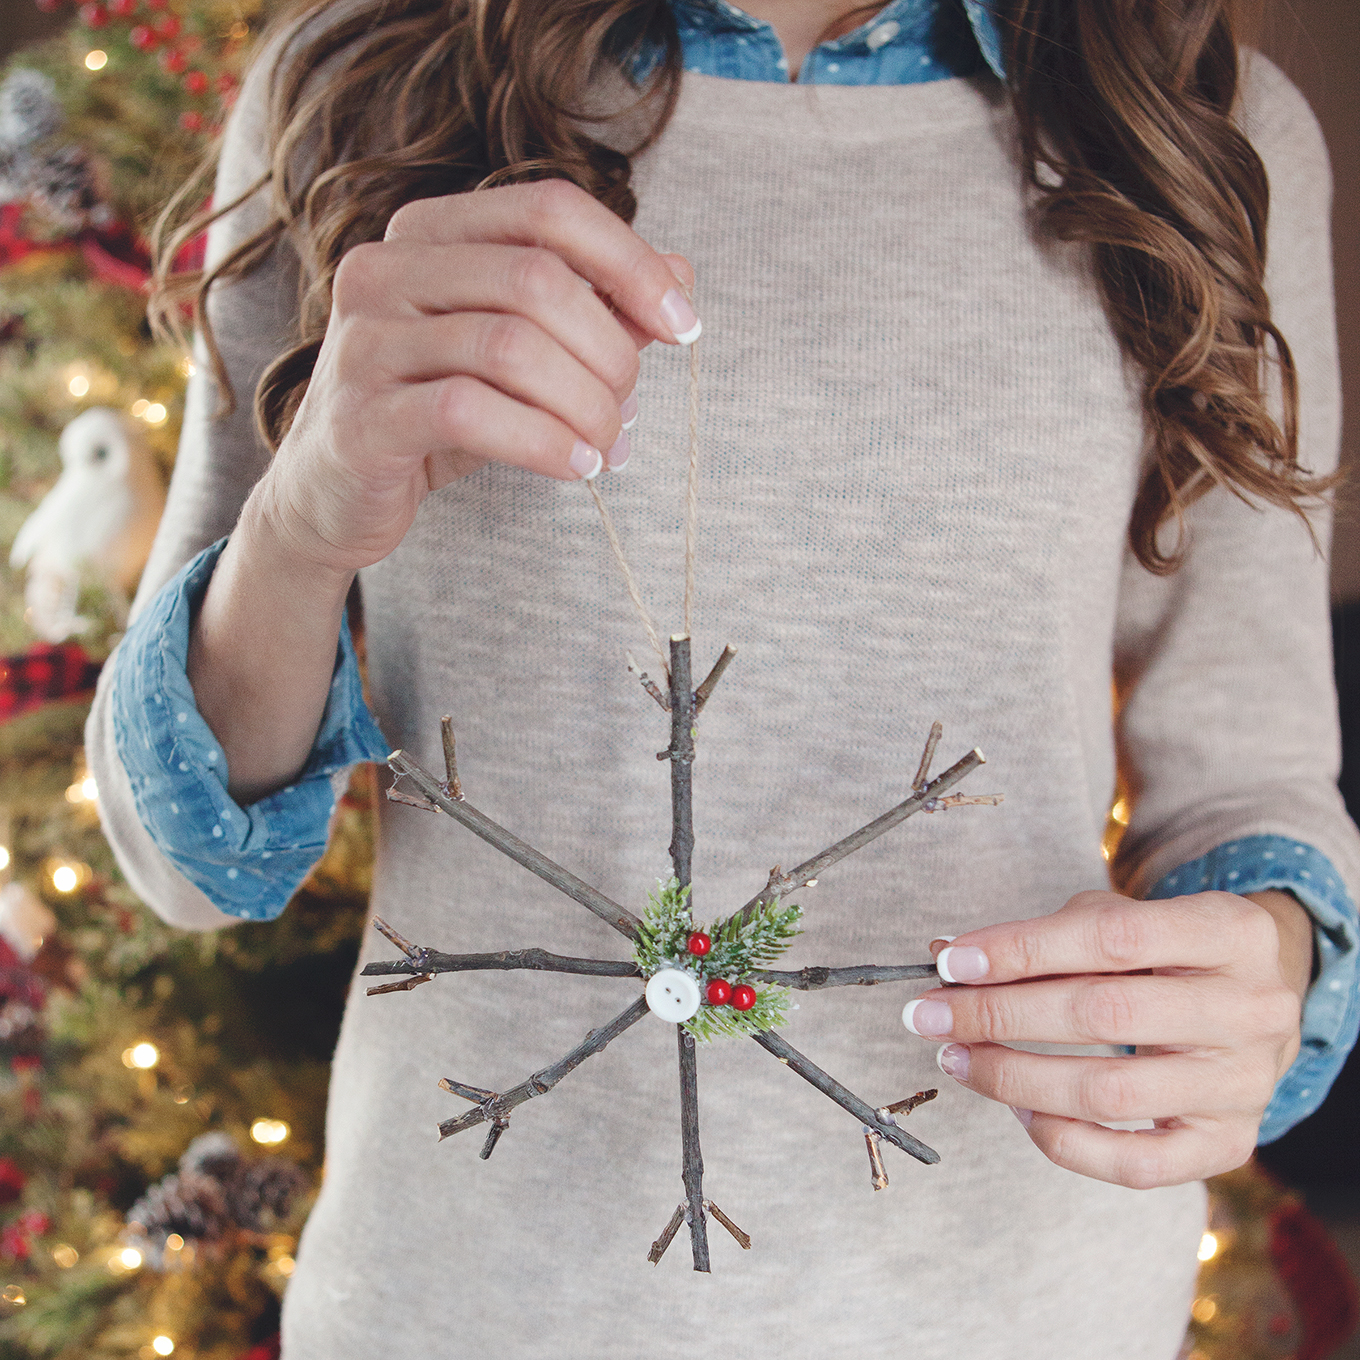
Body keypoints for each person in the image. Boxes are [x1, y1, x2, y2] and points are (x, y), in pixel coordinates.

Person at [86, 0, 1360, 1354]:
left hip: (1018, 1302)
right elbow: (177, 863)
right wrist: (301, 519)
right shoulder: (362, 82)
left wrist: (1263, 980)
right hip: (480, 1305)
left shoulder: (1203, 125)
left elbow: (1254, 786)